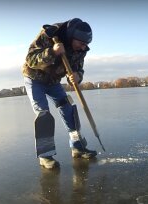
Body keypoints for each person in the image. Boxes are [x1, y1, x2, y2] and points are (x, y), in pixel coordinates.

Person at [22, 18, 97, 169]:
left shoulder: (81, 48)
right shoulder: (50, 34)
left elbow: (78, 68)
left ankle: (77, 146)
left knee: (68, 108)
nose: (83, 48)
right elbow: (30, 59)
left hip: (53, 81)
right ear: (71, 36)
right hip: (34, 78)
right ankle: (45, 156)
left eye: (86, 45)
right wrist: (52, 52)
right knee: (44, 114)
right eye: (81, 43)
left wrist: (77, 76)